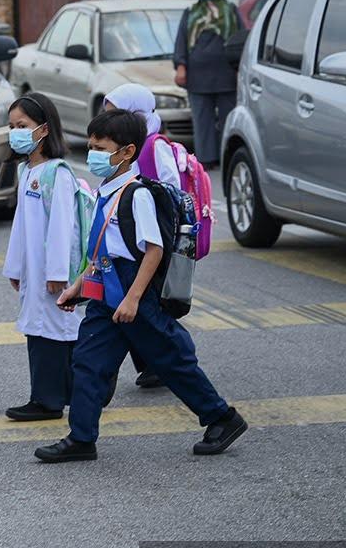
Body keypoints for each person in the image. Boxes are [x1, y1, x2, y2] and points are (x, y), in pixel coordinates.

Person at [34, 110, 248, 463]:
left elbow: (154, 249)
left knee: (172, 361)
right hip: (106, 291)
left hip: (136, 293)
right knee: (87, 362)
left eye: (101, 148)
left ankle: (222, 418)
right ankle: (81, 437)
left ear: (128, 152)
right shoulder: (107, 190)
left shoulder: (137, 194)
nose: (94, 155)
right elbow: (101, 246)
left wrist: (134, 299)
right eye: (91, 147)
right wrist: (79, 286)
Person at [2, 94, 84, 422]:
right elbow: (21, 225)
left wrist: (58, 271)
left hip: (51, 273)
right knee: (38, 329)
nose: (15, 132)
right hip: (33, 270)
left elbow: (64, 227)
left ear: (44, 130)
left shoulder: (57, 174)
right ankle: (51, 394)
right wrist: (16, 266)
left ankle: (50, 400)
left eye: (22, 125)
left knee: (53, 330)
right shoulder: (27, 171)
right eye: (11, 126)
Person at [103, 82, 181, 390]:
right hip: (127, 237)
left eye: (117, 114)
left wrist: (143, 196)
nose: (111, 121)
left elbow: (173, 190)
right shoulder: (121, 146)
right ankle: (152, 363)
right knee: (133, 306)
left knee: (146, 305)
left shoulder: (153, 145)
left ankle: (170, 360)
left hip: (151, 236)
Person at [174, 0, 242, 168]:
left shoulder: (229, 9)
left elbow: (240, 39)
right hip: (198, 76)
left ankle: (227, 154)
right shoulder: (191, 13)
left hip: (227, 75)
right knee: (202, 121)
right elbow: (181, 41)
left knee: (229, 118)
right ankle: (206, 158)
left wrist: (239, 67)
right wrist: (180, 66)